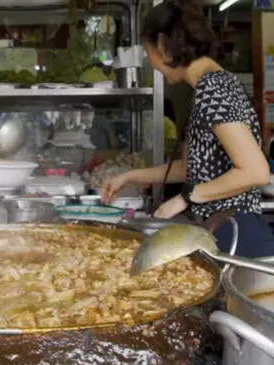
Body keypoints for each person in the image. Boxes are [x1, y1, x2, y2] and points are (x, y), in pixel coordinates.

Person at [102, 0, 274, 258]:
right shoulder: (213, 84)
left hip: (237, 235)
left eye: (149, 52)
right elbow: (196, 168)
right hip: (227, 230)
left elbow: (256, 172)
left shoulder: (212, 88)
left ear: (162, 44)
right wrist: (131, 176)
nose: (152, 63)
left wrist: (186, 198)